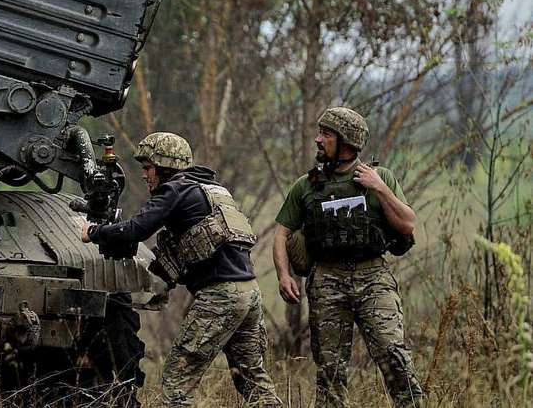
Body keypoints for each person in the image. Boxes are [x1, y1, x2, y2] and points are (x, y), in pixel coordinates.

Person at [81, 132, 280, 407]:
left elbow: (136, 229)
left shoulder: (175, 190)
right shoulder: (213, 190)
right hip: (250, 294)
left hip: (221, 296)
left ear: (166, 167)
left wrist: (93, 232)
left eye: (148, 168)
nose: (144, 175)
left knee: (177, 379)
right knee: (252, 379)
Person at [272, 107, 423, 408]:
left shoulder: (380, 177)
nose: (318, 140)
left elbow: (408, 224)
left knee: (394, 356)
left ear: (347, 141)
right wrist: (284, 276)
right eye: (320, 133)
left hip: (373, 277)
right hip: (327, 279)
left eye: (326, 134)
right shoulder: (306, 186)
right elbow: (281, 234)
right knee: (330, 371)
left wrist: (379, 187)